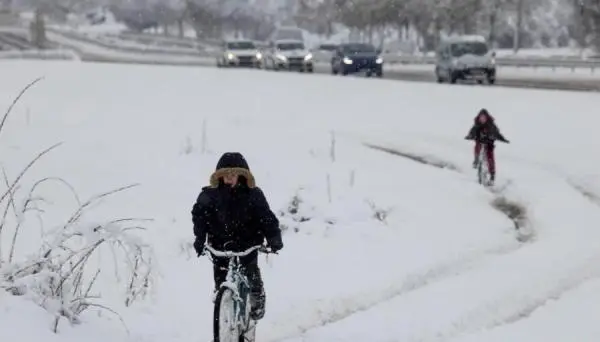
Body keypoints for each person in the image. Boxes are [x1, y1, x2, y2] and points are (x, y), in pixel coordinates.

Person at [191, 152, 283, 321]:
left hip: (248, 244)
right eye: (225, 174)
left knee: (250, 272)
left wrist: (273, 239)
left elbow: (266, 217)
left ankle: (257, 296)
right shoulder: (209, 196)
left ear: (241, 175)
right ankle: (223, 313)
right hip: (220, 245)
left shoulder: (253, 194)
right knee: (220, 281)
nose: (229, 178)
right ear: (219, 176)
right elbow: (200, 218)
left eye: (233, 174)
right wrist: (199, 239)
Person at [464, 109, 509, 183]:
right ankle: (476, 160)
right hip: (480, 141)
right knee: (477, 147)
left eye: (484, 117)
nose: (482, 119)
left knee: (490, 156)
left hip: (489, 143)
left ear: (487, 117)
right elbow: (472, 132)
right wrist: (469, 136)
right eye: (481, 117)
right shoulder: (477, 124)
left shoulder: (491, 124)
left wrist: (502, 139)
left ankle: (492, 175)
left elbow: (497, 133)